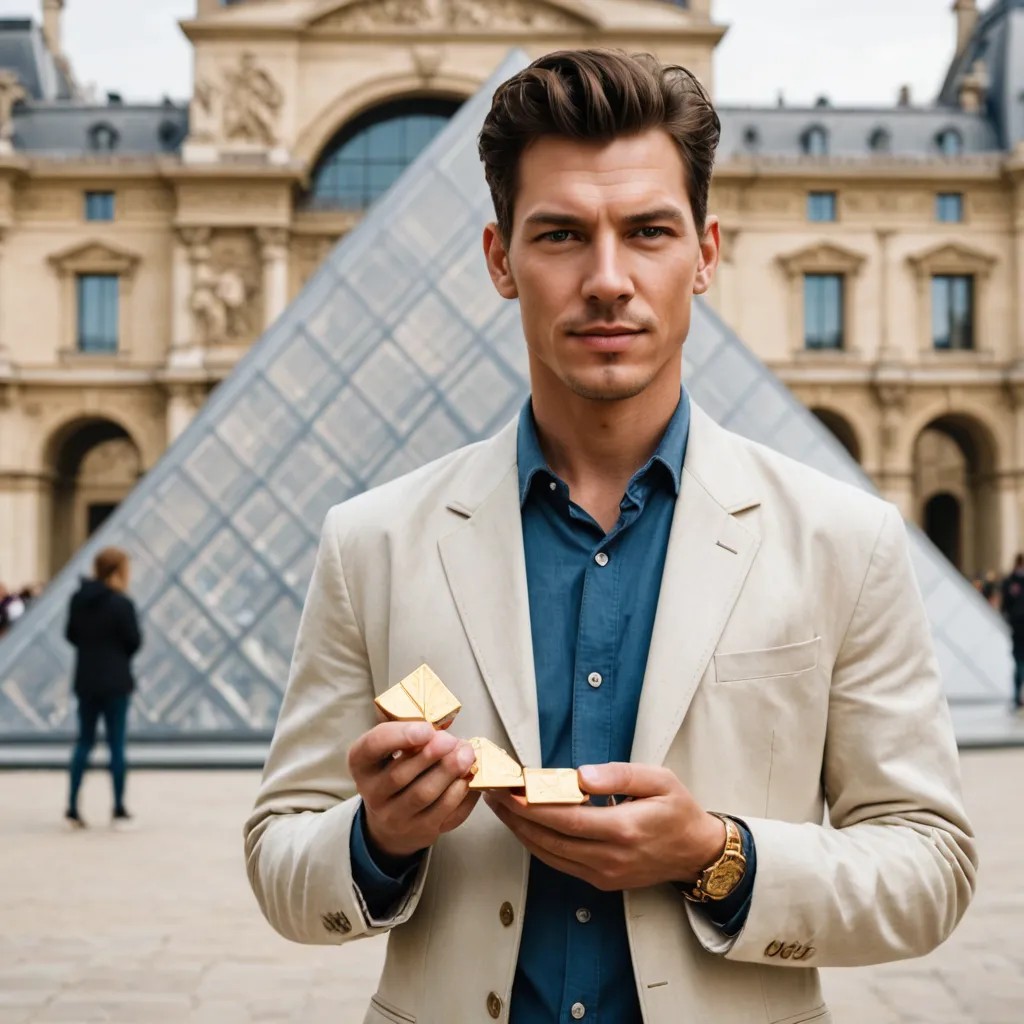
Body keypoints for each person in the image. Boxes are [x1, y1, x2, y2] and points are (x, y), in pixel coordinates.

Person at [245, 50, 977, 1024]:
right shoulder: (371, 542)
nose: (606, 279)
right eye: (559, 234)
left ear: (705, 253)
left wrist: (715, 853)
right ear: (500, 259)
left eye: (646, 232)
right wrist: (377, 839)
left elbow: (930, 862)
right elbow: (278, 852)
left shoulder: (845, 540)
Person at [65, 547, 141, 829]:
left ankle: (72, 807)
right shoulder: (121, 603)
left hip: (86, 679)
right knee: (116, 745)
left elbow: (70, 634)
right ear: (118, 571)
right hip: (116, 682)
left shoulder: (78, 599)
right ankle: (118, 807)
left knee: (83, 743)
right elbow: (134, 641)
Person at [1001, 554, 1024, 709]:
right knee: (1019, 662)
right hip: (1018, 628)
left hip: (1017, 626)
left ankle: (1017, 696)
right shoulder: (1010, 582)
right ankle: (1017, 696)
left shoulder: (1010, 581)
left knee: (1019, 662)